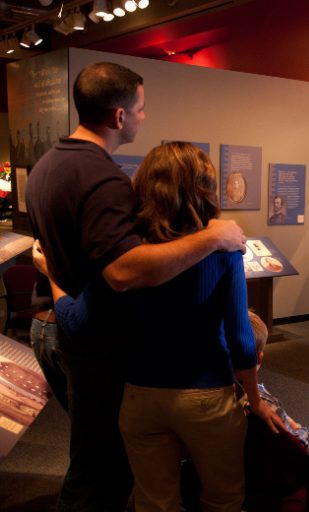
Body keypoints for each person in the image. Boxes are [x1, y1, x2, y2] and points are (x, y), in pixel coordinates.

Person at [25, 62, 245, 512]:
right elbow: (123, 272)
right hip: (93, 340)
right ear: (119, 117)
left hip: (64, 325)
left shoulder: (48, 164)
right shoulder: (102, 177)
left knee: (110, 469)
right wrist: (214, 236)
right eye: (141, 109)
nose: (145, 118)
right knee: (100, 474)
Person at [37, 142, 283, 511]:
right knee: (224, 498)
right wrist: (255, 400)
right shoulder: (223, 252)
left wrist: (52, 273)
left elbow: (76, 319)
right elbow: (240, 339)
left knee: (154, 503)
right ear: (205, 189)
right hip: (208, 399)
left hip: (141, 398)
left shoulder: (130, 257)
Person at [249, 310, 309, 460]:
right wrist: (300, 428)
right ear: (259, 358)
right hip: (289, 452)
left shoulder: (218, 394)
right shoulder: (263, 405)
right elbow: (299, 442)